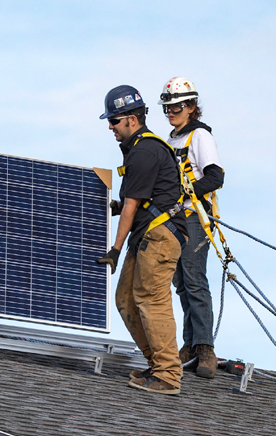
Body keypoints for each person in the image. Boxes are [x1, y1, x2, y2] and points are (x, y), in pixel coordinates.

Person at [96, 85, 187, 395]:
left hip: (159, 237)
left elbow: (135, 203)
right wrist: (117, 208)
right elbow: (138, 200)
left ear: (132, 119)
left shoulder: (145, 151)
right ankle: (158, 364)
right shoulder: (140, 150)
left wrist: (115, 250)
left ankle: (169, 375)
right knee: (125, 299)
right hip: (147, 234)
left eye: (114, 120)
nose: (110, 126)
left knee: (151, 300)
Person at [160, 77, 225, 379]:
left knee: (194, 276)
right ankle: (189, 344)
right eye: (168, 107)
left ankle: (204, 347)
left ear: (191, 107)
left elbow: (215, 177)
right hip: (173, 219)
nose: (171, 112)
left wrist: (187, 193)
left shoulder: (199, 137)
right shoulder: (171, 141)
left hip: (195, 216)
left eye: (176, 106)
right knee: (181, 281)